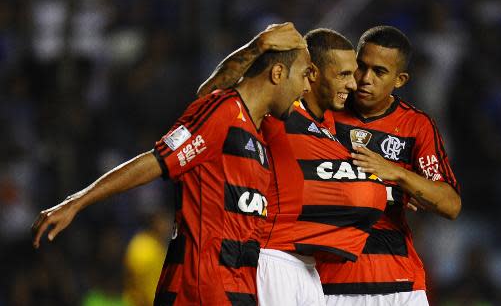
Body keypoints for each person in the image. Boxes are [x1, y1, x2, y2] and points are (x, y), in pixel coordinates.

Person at [31, 22, 312, 305]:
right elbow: (156, 160)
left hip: (237, 292)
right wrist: (76, 202)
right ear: (278, 73)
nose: (306, 86)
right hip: (198, 291)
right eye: (303, 76)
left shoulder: (256, 132)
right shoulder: (223, 113)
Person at [198, 28, 388, 306]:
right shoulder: (280, 112)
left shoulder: (330, 127)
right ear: (312, 73)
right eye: (344, 75)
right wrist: (256, 46)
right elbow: (210, 98)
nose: (353, 85)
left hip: (308, 269)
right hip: (275, 258)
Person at [318, 26, 461, 305]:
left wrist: (397, 173)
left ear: (400, 80)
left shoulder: (416, 125)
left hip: (399, 282)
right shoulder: (326, 112)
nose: (365, 79)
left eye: (379, 72)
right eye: (361, 67)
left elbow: (450, 204)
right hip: (331, 280)